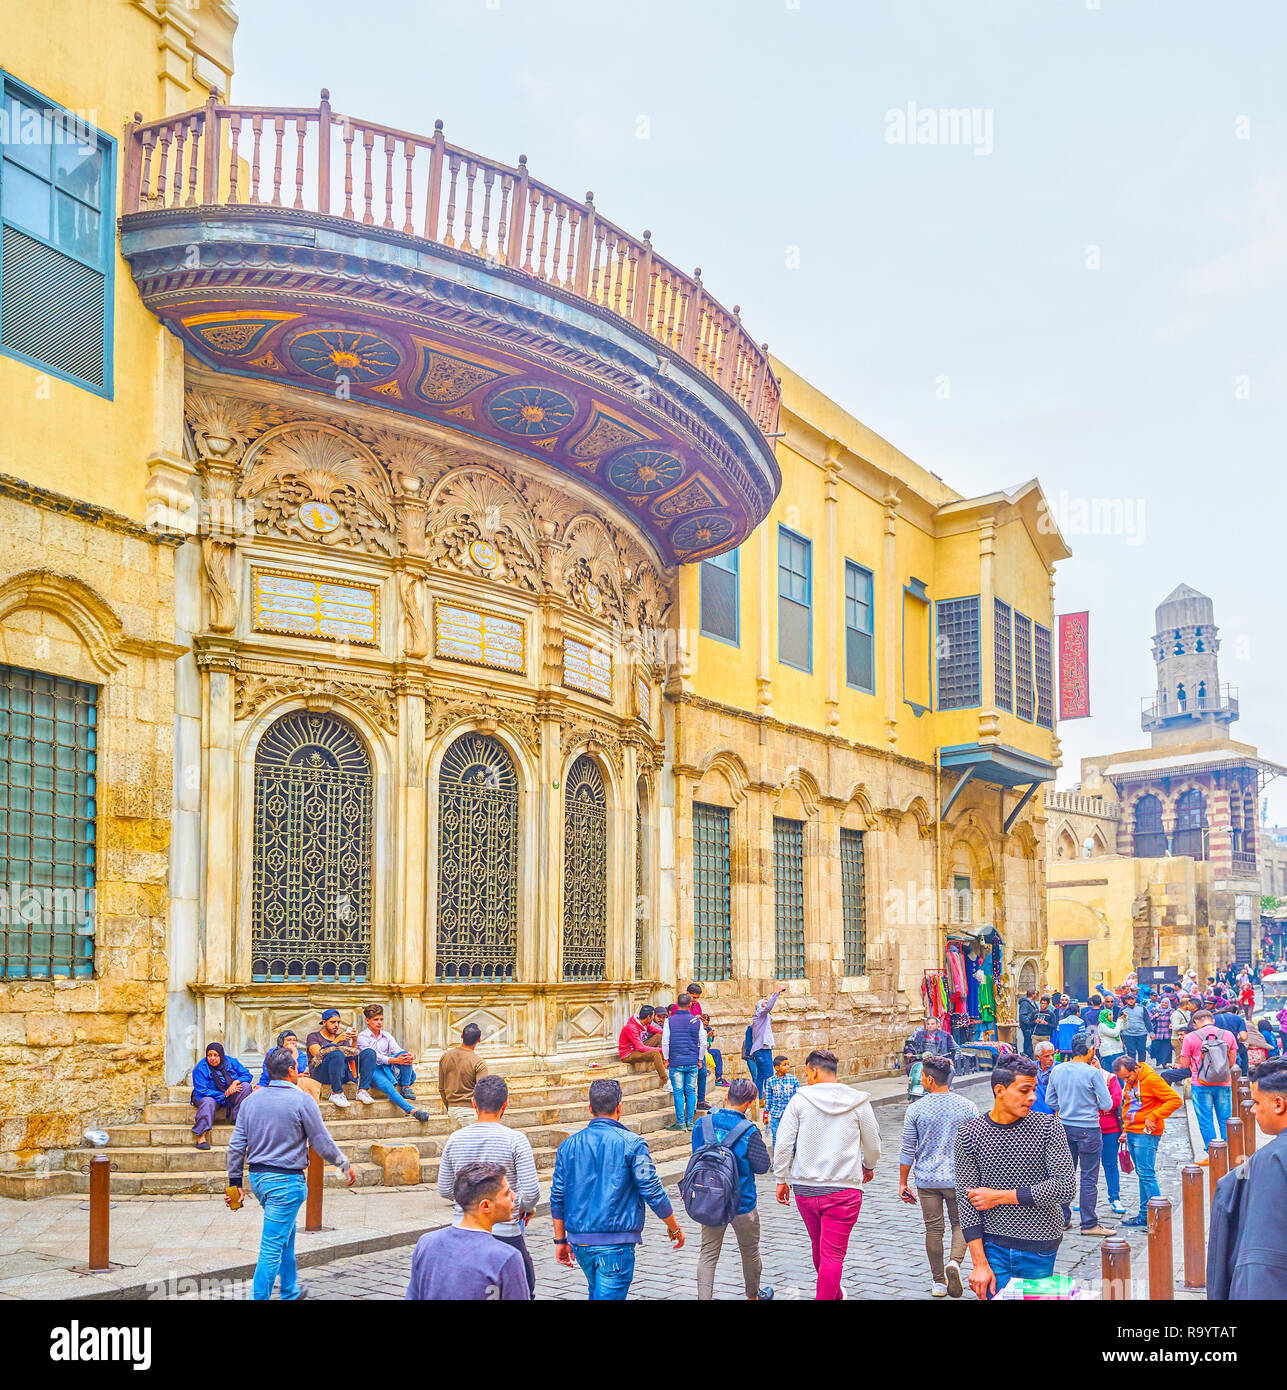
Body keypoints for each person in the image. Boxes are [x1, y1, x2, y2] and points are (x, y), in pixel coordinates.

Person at [226, 1046, 355, 1300]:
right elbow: (321, 1141)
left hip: (259, 1179)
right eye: (297, 1065)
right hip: (285, 1181)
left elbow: (236, 1145)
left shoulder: (250, 1100)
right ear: (290, 1070)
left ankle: (289, 1290)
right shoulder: (301, 1099)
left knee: (286, 1235)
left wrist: (234, 1183)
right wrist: (344, 1164)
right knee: (272, 1246)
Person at [550, 1077, 684, 1299]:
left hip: (580, 1241)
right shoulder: (632, 1144)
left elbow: (557, 1196)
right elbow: (651, 1189)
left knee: (596, 1292)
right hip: (615, 1244)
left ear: (590, 1108)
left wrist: (560, 1240)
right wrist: (674, 1227)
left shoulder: (569, 1145)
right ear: (619, 1107)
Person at [955, 1055, 1076, 1298]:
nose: (1032, 1097)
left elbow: (1065, 1187)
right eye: (1024, 1090)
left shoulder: (1048, 1127)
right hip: (992, 1245)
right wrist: (979, 1262)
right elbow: (966, 1200)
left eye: (1034, 1089)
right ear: (1000, 1090)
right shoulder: (970, 1134)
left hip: (1040, 1244)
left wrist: (1000, 1197)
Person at [772, 1047, 881, 1300]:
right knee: (833, 1254)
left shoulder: (800, 1100)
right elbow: (873, 1141)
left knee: (819, 1246)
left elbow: (784, 1142)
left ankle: (832, 1294)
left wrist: (781, 1178)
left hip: (806, 1189)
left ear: (813, 1070)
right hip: (844, 1189)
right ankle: (829, 1294)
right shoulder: (858, 1101)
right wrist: (869, 1165)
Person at [436, 1075, 541, 1295]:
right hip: (506, 1231)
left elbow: (445, 1188)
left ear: (474, 1103)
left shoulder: (455, 1139)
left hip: (463, 1228)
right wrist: (523, 1207)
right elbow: (530, 1191)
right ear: (505, 1105)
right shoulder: (516, 1140)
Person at [898, 1053, 978, 1298]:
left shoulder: (916, 1109)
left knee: (933, 1229)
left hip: (927, 1180)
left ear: (930, 1080)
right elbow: (976, 1145)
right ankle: (954, 1262)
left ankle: (938, 1282)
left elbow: (907, 1148)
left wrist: (903, 1182)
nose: (921, 1079)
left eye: (922, 1076)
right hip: (958, 1179)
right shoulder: (967, 1107)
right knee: (960, 1224)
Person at [1208, 1056, 1287, 1299]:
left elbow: (1262, 1257)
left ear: (1278, 1104)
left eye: (1255, 1102)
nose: (1252, 1109)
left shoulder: (1270, 1161)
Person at [692, 1077, 774, 1301]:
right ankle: (752, 1296)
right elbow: (762, 1166)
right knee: (749, 1251)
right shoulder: (749, 1131)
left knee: (708, 1254)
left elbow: (696, 1156)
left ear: (726, 1097)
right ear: (749, 1103)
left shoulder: (702, 1124)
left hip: (710, 1200)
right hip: (742, 1201)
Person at [406, 1161, 531, 1300]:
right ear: (486, 1206)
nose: (514, 1196)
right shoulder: (507, 1257)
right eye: (507, 1193)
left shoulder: (427, 1243)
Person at [1042, 1031, 1117, 1237]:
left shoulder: (1057, 1070)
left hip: (1064, 1126)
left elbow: (1050, 1101)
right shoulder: (1092, 1073)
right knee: (1088, 1177)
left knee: (1064, 1175)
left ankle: (1063, 1220)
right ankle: (1089, 1223)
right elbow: (1107, 1104)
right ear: (1090, 1050)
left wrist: (1066, 1106)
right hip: (1089, 1128)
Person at [1112, 1053, 1182, 1226]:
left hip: (1147, 1133)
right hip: (1134, 1131)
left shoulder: (1151, 1080)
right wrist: (1126, 1129)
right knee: (1142, 1174)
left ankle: (1158, 1215)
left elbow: (1175, 1100)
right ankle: (1145, 1214)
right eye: (1123, 1079)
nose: (1126, 1081)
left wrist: (1155, 1115)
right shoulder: (1131, 1082)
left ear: (1135, 1069)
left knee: (1146, 1174)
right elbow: (1129, 1105)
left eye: (1127, 1077)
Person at [356, 1005, 430, 1122]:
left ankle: (405, 1087)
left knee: (404, 1054)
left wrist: (411, 1055)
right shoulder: (362, 1037)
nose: (379, 1023)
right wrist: (393, 1060)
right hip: (372, 1070)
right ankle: (412, 1111)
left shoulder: (386, 1035)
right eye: (375, 1020)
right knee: (388, 1087)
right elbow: (375, 1057)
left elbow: (397, 1050)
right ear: (367, 1021)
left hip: (387, 1066)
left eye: (381, 1019)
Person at [1180, 1010, 1238, 1159]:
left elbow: (1184, 1063)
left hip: (1200, 1083)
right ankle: (1229, 1151)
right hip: (1224, 1082)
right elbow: (1232, 1062)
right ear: (1212, 1020)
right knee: (1225, 1118)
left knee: (1205, 1120)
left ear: (1195, 1023)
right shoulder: (1228, 1035)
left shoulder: (1190, 1038)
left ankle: (1213, 1155)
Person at [305, 1008, 377, 1110]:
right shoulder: (313, 1036)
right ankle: (336, 1093)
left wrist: (355, 1040)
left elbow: (351, 1056)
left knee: (369, 1053)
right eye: (333, 1022)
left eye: (338, 1022)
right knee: (337, 1053)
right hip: (321, 1074)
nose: (336, 1025)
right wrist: (337, 1040)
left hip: (342, 1073)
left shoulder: (342, 1037)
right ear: (324, 1022)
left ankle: (362, 1091)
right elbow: (317, 1053)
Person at [190, 1042, 254, 1150]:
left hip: (228, 1093)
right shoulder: (201, 1068)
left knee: (246, 1087)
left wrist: (235, 1082)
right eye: (209, 1055)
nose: (212, 1058)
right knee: (208, 1102)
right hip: (209, 1096)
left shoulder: (231, 1062)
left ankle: (237, 1119)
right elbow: (202, 1091)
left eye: (216, 1055)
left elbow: (247, 1074)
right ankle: (201, 1136)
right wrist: (224, 1094)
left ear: (221, 1055)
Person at [661, 991, 706, 1131]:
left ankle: (680, 1123)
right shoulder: (696, 1021)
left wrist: (666, 1059)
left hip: (676, 1061)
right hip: (692, 1060)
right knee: (691, 1091)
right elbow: (703, 1043)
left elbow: (665, 1042)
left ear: (677, 1004)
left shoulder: (669, 1021)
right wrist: (700, 1059)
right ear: (690, 1005)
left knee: (678, 1092)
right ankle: (690, 1123)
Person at [438, 1022, 488, 1130]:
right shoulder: (478, 1062)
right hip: (470, 1112)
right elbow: (482, 1092)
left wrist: (450, 1106)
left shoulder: (445, 1057)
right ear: (479, 1040)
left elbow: (441, 1088)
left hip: (452, 1110)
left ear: (461, 1036)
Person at [257, 1030, 323, 1104]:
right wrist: (295, 1073)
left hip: (293, 1082)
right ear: (282, 1042)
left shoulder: (300, 1054)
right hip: (269, 1082)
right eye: (289, 1040)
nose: (292, 1042)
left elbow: (299, 1068)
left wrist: (293, 1053)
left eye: (294, 1040)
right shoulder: (272, 1053)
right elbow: (270, 1072)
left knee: (307, 1082)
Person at [1098, 1061, 1126, 1217]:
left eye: (1095, 1060)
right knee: (1089, 1168)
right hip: (1089, 1129)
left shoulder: (1110, 1078)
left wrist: (1095, 1103)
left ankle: (1114, 1197)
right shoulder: (1082, 1078)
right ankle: (1087, 1200)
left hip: (1110, 1128)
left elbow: (1115, 1101)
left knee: (1110, 1163)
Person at [748, 985, 785, 1100]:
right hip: (762, 1049)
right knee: (769, 1075)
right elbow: (768, 1008)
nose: (766, 1003)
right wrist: (777, 992)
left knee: (760, 1076)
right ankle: (770, 1099)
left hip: (761, 1049)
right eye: (764, 1002)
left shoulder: (762, 1018)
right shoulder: (760, 1013)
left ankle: (759, 1099)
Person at [618, 1004, 669, 1085]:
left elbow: (659, 1032)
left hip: (638, 1048)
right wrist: (662, 1050)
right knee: (655, 1054)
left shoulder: (645, 1024)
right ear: (648, 1017)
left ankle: (662, 1066)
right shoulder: (631, 1027)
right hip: (628, 1054)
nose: (653, 1018)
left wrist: (673, 1036)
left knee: (659, 1036)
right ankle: (666, 1081)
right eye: (653, 1016)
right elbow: (640, 1047)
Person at [761, 1054, 801, 1144]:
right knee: (776, 1137)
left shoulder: (793, 1079)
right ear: (777, 1068)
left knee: (793, 1137)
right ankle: (777, 1156)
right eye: (784, 1065)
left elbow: (798, 1098)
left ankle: (793, 1156)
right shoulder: (770, 1081)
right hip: (776, 1115)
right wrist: (765, 1115)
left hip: (791, 1114)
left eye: (788, 1064)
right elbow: (768, 1099)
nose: (787, 1067)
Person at [1212, 1005, 1250, 1074]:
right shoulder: (1238, 1018)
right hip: (1231, 1049)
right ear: (1236, 1012)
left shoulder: (1213, 1017)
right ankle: (1242, 1077)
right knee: (1243, 1052)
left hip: (1214, 1048)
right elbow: (1244, 1037)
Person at [1121, 992, 1150, 1063]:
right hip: (1128, 1034)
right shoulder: (1123, 1010)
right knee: (1131, 1052)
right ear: (1126, 1000)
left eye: (1132, 999)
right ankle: (1132, 1067)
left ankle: (1142, 1067)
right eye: (1129, 999)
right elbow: (1120, 1022)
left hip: (1141, 1034)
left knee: (1142, 1051)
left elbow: (1147, 1020)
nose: (1131, 1001)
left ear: (1135, 999)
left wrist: (1151, 1032)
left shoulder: (1142, 1008)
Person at [1030, 1041, 1057, 1114]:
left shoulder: (1059, 1069)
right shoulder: (1030, 1068)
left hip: (1053, 1115)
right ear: (1038, 1057)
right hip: (1033, 1114)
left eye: (1052, 1055)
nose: (1051, 1058)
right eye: (1047, 1056)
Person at [1148, 994, 1174, 1067]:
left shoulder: (1171, 1011)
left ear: (1168, 1004)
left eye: (1166, 1003)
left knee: (1166, 1049)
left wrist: (1172, 1024)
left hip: (1167, 1033)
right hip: (1158, 1032)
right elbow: (1149, 1020)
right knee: (1157, 1048)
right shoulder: (1155, 1010)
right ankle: (1158, 1060)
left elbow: (1173, 1020)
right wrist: (1154, 1016)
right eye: (1162, 1002)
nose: (1164, 1004)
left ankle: (1164, 1063)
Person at [1018, 990, 1037, 1057]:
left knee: (1030, 1043)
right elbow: (1023, 1015)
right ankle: (1028, 1057)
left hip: (1031, 1026)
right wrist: (1029, 1022)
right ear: (1033, 994)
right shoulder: (1025, 1003)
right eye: (1035, 994)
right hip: (1027, 1027)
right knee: (1028, 1043)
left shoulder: (1032, 1002)